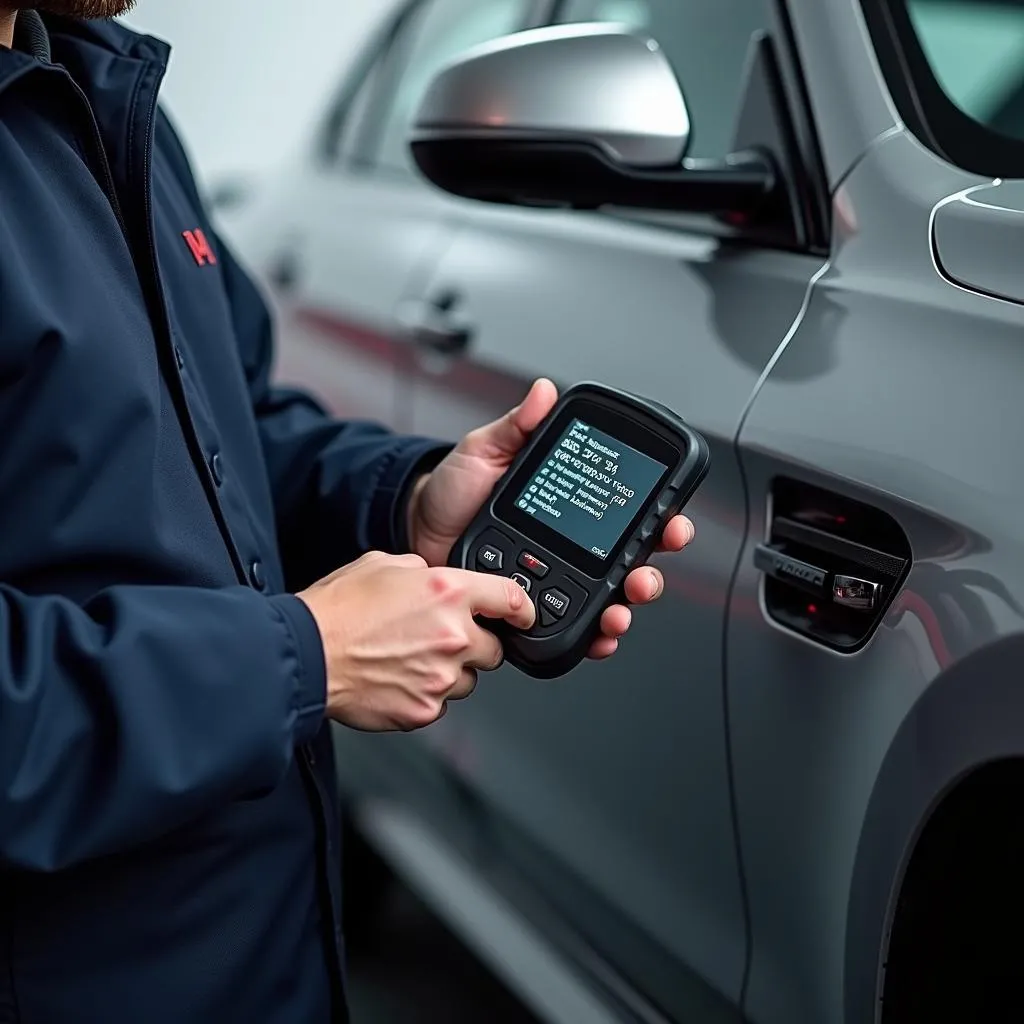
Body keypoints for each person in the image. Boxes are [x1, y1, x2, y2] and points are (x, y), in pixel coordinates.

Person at [0, 4, 696, 1022]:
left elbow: (225, 427)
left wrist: (406, 496)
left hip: (256, 955)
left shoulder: (100, 96)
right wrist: (304, 656)